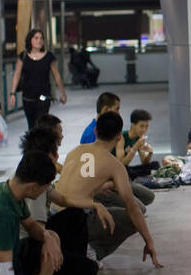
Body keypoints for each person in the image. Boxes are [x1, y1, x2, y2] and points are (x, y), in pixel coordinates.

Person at [56, 111, 163, 266]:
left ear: (95, 131)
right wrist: (149, 242)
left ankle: (78, 247)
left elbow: (76, 182)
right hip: (75, 223)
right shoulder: (114, 165)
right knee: (133, 217)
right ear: (119, 137)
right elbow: (132, 208)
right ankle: (91, 252)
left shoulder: (75, 151)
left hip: (53, 220)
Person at [16, 126, 111, 275]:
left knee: (75, 214)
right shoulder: (35, 188)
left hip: (33, 240)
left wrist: (94, 203)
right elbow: (39, 232)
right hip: (28, 249)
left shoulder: (32, 173)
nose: (57, 157)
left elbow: (64, 200)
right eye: (55, 152)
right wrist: (53, 248)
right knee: (89, 269)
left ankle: (67, 263)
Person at [8, 29, 66, 128]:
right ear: (30, 40)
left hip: (44, 97)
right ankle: (34, 143)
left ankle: (41, 143)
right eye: (36, 38)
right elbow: (17, 75)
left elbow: (56, 75)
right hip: (28, 97)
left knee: (40, 125)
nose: (39, 41)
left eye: (41, 38)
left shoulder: (49, 57)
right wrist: (12, 93)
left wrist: (63, 93)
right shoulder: (23, 56)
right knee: (31, 126)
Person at [121, 109, 159, 177]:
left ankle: (146, 174)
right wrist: (135, 146)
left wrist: (150, 153)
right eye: (141, 126)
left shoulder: (139, 138)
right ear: (133, 125)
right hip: (118, 169)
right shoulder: (122, 137)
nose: (144, 130)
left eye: (146, 126)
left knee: (155, 165)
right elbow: (121, 164)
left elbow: (144, 162)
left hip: (127, 169)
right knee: (126, 171)